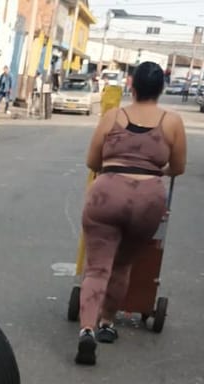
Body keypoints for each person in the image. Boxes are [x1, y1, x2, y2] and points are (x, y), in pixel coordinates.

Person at [76, 61, 187, 365]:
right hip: (148, 200)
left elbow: (91, 160)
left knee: (97, 268)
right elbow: (178, 168)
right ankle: (108, 323)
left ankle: (87, 328)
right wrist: (153, 169)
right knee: (122, 265)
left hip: (107, 193)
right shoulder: (172, 122)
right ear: (161, 89)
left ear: (132, 85)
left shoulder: (113, 116)